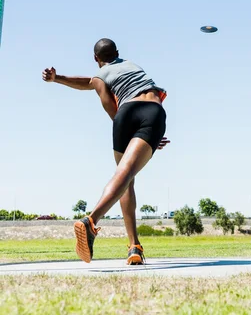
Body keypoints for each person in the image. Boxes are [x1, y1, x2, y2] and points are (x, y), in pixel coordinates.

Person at [42, 38, 169, 265]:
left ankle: (134, 247)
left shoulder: (101, 76)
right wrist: (149, 135)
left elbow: (99, 92)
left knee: (125, 176)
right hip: (152, 111)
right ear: (118, 53)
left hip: (125, 113)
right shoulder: (133, 65)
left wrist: (57, 78)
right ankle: (93, 223)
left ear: (95, 59)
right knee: (127, 174)